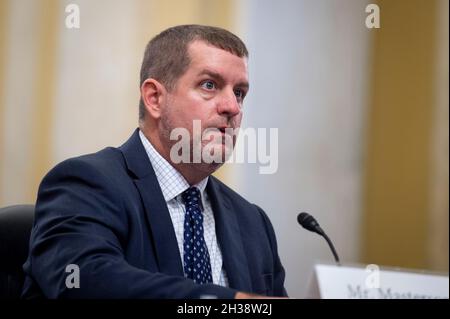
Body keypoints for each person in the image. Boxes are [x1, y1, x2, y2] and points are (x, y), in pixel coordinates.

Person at [21, 24, 287, 299]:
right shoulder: (84, 184)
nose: (232, 107)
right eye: (210, 85)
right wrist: (228, 302)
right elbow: (85, 279)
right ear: (155, 98)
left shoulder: (253, 222)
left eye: (239, 93)